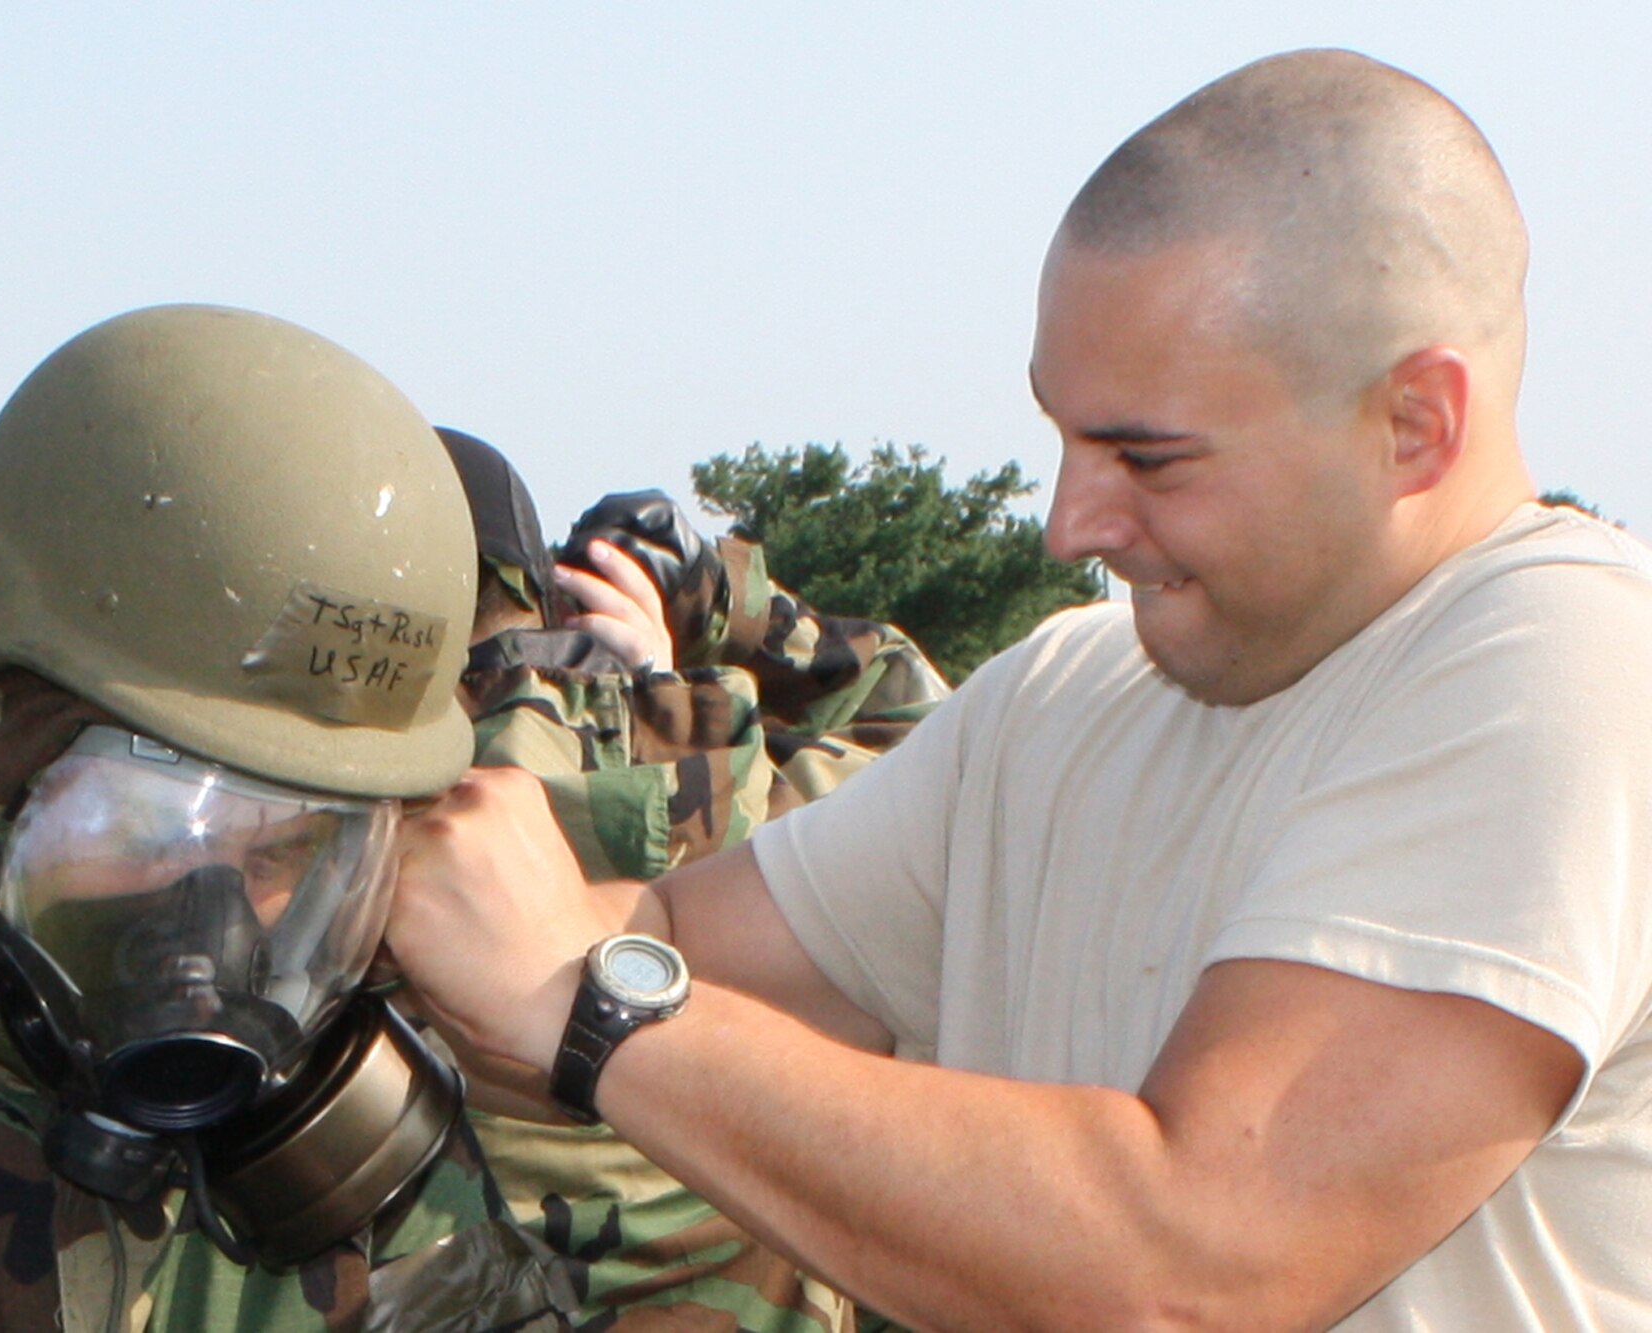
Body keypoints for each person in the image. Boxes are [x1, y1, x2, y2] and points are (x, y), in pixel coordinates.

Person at [384, 50, 1652, 1331]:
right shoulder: (1063, 695)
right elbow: (661, 936)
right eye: (1060, 433)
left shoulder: (1569, 660)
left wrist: (589, 1011)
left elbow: (1197, 1260)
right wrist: (352, 889)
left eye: (1143, 456)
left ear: (1414, 424)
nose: (1066, 523)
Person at [0, 304, 590, 1332]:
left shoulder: (338, 1143)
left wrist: (588, 1047)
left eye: (288, 845)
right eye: (151, 833)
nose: (217, 920)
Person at [421, 427, 951, 1326]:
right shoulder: (765, 808)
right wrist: (701, 628)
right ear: (540, 594)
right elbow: (937, 727)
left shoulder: (301, 848)